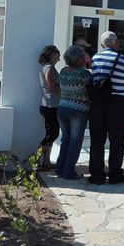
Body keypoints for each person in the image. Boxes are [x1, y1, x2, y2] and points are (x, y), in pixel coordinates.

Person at [89, 31, 124, 185]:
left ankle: (96, 175)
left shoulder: (95, 58)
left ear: (102, 45)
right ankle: (115, 174)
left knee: (97, 141)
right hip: (117, 104)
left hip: (98, 104)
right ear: (116, 43)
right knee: (116, 141)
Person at [54, 45, 92, 180]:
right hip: (79, 110)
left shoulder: (63, 71)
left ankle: (60, 168)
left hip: (62, 108)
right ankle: (69, 172)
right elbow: (90, 91)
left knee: (65, 139)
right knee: (75, 141)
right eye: (82, 56)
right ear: (78, 59)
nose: (85, 58)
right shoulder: (84, 74)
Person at [37, 45, 61, 171]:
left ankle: (46, 161)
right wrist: (67, 93)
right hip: (50, 106)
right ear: (51, 54)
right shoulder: (49, 68)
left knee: (50, 134)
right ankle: (36, 158)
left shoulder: (47, 67)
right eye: (57, 53)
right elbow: (52, 87)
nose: (59, 55)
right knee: (53, 134)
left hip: (50, 105)